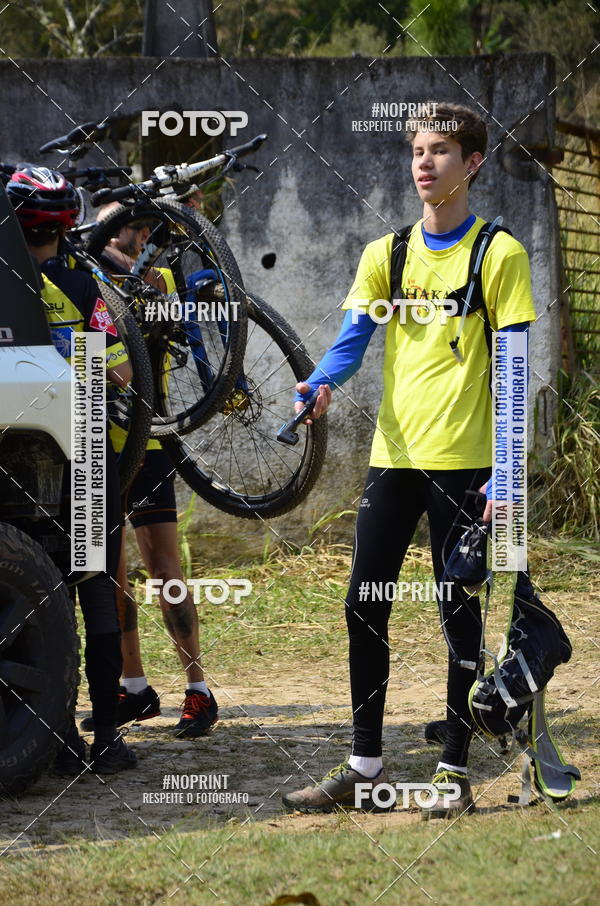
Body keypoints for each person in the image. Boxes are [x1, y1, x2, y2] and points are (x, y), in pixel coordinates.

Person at [281, 103, 537, 818]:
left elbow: (515, 369)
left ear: (474, 163)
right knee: (363, 605)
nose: (425, 163)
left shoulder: (500, 255)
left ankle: (454, 769)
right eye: (418, 151)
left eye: (442, 151)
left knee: (459, 615)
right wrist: (321, 382)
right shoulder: (384, 254)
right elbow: (352, 338)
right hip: (393, 461)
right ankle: (364, 763)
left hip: (466, 468)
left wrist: (507, 473)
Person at [6, 166, 137, 773]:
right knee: (94, 592)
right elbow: (119, 371)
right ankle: (105, 737)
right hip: (81, 444)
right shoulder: (84, 283)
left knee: (33, 596)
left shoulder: (9, 278)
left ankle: (55, 735)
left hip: (14, 461)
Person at [78, 205, 218, 738]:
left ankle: (198, 689)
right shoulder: (80, 277)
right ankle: (133, 687)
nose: (132, 238)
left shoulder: (154, 280)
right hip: (96, 440)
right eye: (119, 230)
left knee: (164, 569)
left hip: (151, 437)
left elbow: (173, 325)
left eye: (139, 229)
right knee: (109, 573)